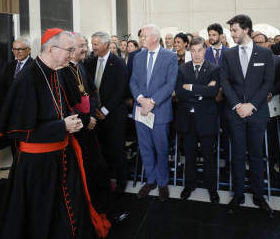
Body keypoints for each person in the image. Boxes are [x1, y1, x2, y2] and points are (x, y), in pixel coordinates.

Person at [0, 28, 112, 238]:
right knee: (41, 211)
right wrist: (62, 126)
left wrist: (75, 121)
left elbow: (64, 109)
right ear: (50, 49)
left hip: (62, 153)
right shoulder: (27, 78)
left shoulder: (57, 73)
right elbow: (19, 130)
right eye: (69, 49)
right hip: (38, 162)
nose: (72, 54)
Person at [60, 32, 129, 223]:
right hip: (80, 125)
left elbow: (93, 92)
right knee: (94, 164)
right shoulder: (66, 70)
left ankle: (113, 195)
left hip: (102, 117)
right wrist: (90, 115)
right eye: (84, 45)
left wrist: (94, 114)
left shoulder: (86, 66)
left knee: (108, 155)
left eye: (89, 44)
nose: (87, 49)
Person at [220, 15, 275, 218]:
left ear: (246, 30)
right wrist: (237, 105)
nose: (231, 34)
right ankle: (239, 194)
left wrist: (251, 105)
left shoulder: (265, 53)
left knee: (256, 156)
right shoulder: (229, 54)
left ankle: (259, 195)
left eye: (234, 30)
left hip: (257, 113)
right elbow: (224, 81)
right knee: (237, 155)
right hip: (235, 114)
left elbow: (268, 81)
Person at [129, 24, 178, 202]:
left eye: (144, 36)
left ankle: (163, 182)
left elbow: (170, 84)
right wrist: (141, 99)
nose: (141, 39)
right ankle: (151, 181)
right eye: (141, 36)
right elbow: (133, 82)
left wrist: (152, 101)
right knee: (145, 147)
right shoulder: (138, 57)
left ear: (155, 38)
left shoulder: (170, 57)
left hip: (160, 110)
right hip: (141, 110)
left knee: (161, 148)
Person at [174, 37, 220, 203]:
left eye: (200, 50)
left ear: (205, 50)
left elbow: (214, 92)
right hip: (187, 118)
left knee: (209, 155)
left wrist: (192, 88)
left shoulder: (214, 68)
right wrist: (202, 93)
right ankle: (189, 185)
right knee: (190, 155)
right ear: (189, 50)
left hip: (207, 118)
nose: (196, 54)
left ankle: (212, 188)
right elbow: (179, 92)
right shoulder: (182, 68)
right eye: (193, 51)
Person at [85, 31, 129, 197]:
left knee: (118, 149)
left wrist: (104, 110)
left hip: (114, 114)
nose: (92, 47)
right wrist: (94, 109)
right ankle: (105, 181)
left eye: (95, 44)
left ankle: (122, 182)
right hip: (95, 115)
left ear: (105, 44)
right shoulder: (90, 63)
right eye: (92, 44)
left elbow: (121, 89)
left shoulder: (118, 62)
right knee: (101, 149)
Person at [253, 33, 280, 179]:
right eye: (256, 43)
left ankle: (271, 165)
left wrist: (270, 92)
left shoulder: (276, 60)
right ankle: (256, 164)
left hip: (270, 103)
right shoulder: (248, 59)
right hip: (253, 105)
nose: (259, 45)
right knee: (255, 137)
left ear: (268, 43)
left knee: (272, 137)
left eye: (261, 42)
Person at [204, 23, 231, 173]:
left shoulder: (230, 52)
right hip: (210, 99)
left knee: (227, 132)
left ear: (220, 36)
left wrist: (222, 90)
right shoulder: (204, 52)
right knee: (210, 132)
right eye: (209, 35)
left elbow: (232, 75)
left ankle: (228, 162)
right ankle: (211, 161)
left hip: (226, 100)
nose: (211, 38)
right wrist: (214, 91)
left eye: (214, 35)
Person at [1, 38, 34, 156]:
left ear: (29, 50)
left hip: (26, 112)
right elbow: (3, 87)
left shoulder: (34, 66)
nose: (17, 52)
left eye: (20, 49)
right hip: (11, 112)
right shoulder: (10, 65)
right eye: (14, 49)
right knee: (13, 142)